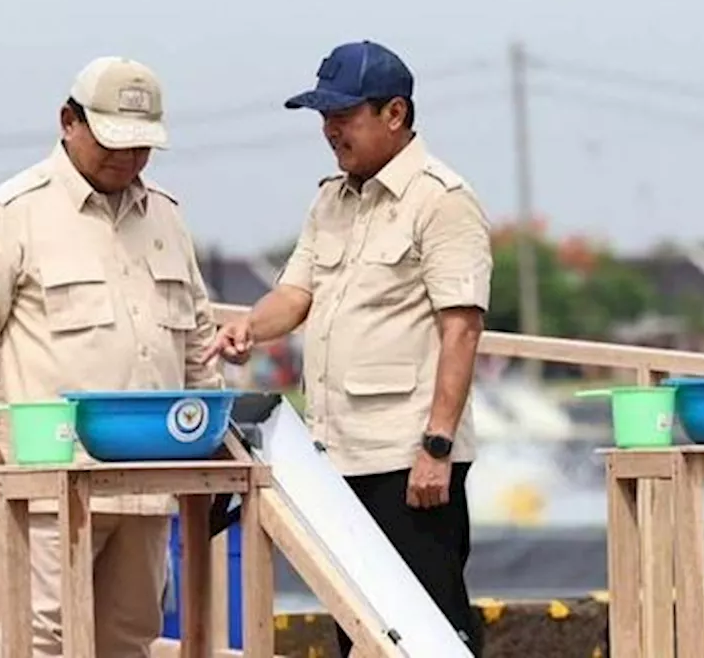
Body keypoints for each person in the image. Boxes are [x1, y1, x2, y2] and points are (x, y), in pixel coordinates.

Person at [204, 40, 492, 656]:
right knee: (357, 629)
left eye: (344, 115)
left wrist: (436, 446)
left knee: (429, 631)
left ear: (394, 113)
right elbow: (296, 291)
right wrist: (250, 327)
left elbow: (461, 328)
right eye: (324, 117)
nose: (331, 130)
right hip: (335, 457)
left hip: (409, 460)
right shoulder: (330, 200)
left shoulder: (442, 200)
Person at [0, 56, 223, 657]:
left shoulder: (165, 214)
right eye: (114, 141)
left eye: (142, 146)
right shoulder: (13, 214)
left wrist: (209, 444)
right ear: (69, 121)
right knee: (47, 641)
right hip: (52, 480)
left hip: (147, 480)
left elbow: (195, 334)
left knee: (131, 638)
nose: (127, 158)